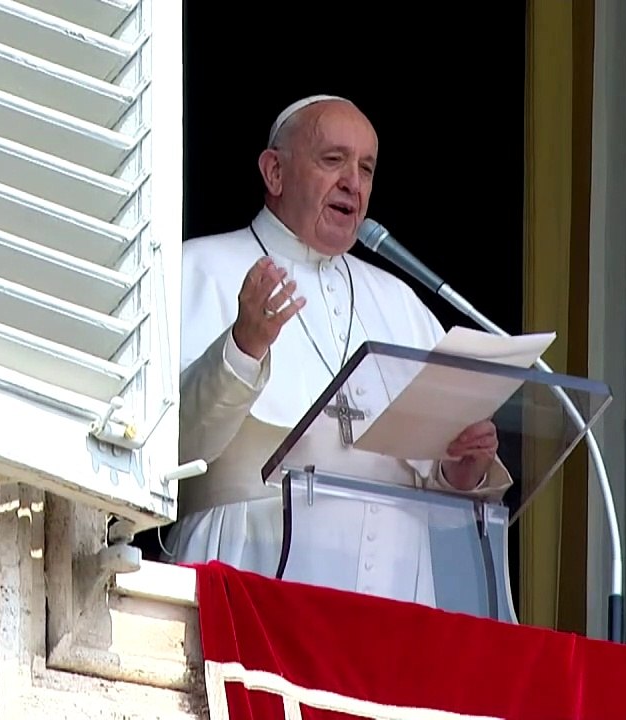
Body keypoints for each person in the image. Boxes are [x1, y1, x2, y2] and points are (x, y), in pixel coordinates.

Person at [164, 95, 513, 606]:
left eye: (366, 168)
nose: (354, 181)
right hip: (247, 566)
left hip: (395, 594)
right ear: (275, 171)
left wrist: (460, 472)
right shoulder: (194, 270)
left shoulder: (399, 302)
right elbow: (169, 449)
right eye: (333, 160)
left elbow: (444, 497)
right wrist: (244, 346)